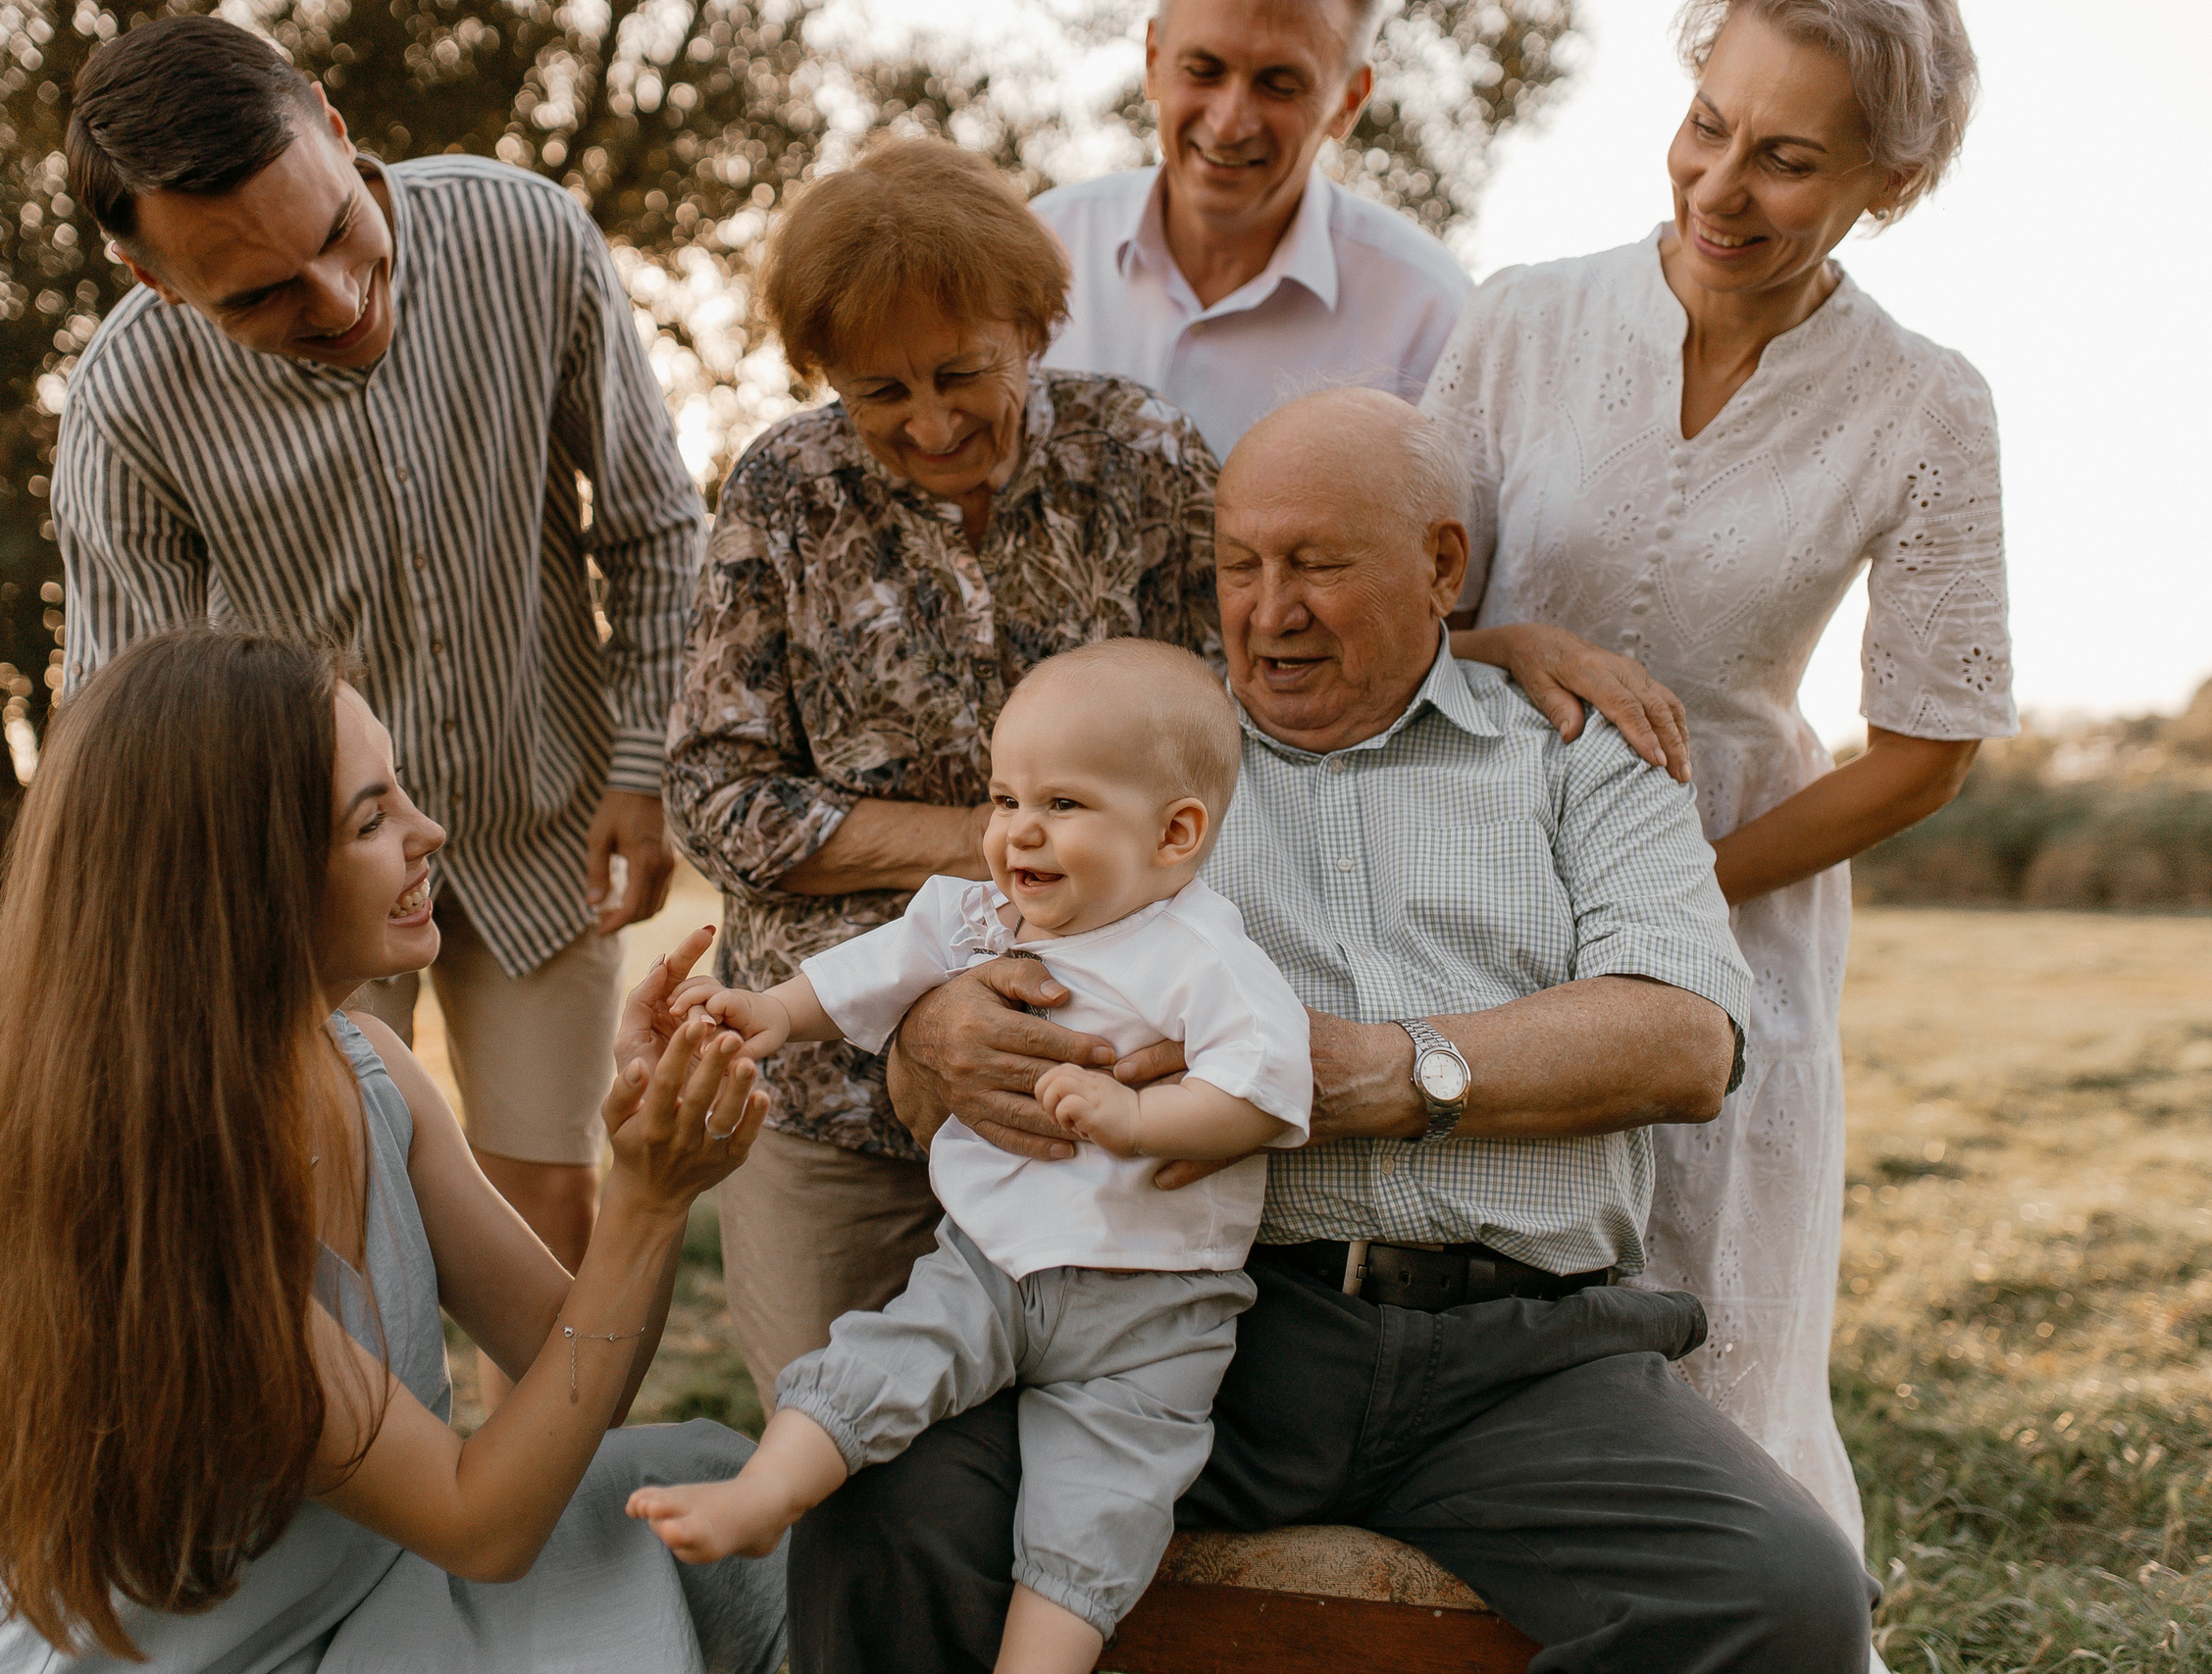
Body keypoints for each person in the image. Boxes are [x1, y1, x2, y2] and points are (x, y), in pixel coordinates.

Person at [788, 389, 1879, 1673]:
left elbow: (1684, 1038)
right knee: (882, 1502)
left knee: (1788, 1599)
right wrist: (933, 1026)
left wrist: (1380, 1070)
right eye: (1239, 564)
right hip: (1201, 1324)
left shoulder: (1581, 753)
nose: (1269, 606)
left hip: (1520, 1356)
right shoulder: (1154, 772)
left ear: (1442, 567)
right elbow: (976, 939)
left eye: (1316, 563)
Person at [1422, 0, 2013, 1550]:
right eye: (1709, 127)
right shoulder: (1521, 317)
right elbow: (1385, 613)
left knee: (1714, 1333)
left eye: (1790, 160)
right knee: (1472, 1325)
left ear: (1890, 181)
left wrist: (1680, 887)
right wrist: (1510, 645)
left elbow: (1927, 752)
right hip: (1473, 869)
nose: (1721, 186)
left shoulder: (1927, 399)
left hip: (1739, 897)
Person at [0, 628, 785, 1674]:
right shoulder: (165, 1197)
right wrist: (647, 1205)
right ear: (240, 876)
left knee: (716, 1479)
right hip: (198, 1658)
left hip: (369, 1586)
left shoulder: (366, 1068)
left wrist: (643, 1156)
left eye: (401, 790)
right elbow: (483, 1528)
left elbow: (573, 1359)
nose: (430, 830)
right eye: (371, 817)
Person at [52, 17, 695, 1306]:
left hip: (541, 818)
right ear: (151, 278)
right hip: (299, 876)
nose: (339, 302)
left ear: (337, 133)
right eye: (260, 294)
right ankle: (389, 1498)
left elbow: (650, 519)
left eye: (338, 231)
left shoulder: (529, 236)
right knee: (318, 1220)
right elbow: (129, 718)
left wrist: (642, 763)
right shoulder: (124, 405)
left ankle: (548, 1505)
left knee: (546, 1209)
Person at [661, 135, 1222, 1411]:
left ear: (1034, 324)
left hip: (1103, 1105)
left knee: (1097, 1469)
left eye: (961, 371)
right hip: (838, 1115)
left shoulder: (1146, 460)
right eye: (878, 391)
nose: (927, 421)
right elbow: (715, 795)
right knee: (846, 1461)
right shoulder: (786, 488)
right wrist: (996, 837)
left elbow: (1244, 731)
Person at [635, 640, 1310, 1672]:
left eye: (1063, 806)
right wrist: (771, 1008)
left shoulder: (1205, 954)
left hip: (1153, 1317)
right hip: (989, 1264)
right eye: (1003, 799)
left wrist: (1139, 1122)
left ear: (1175, 833)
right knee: (877, 1360)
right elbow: (875, 969)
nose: (1016, 833)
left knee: (1095, 1513)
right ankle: (763, 1499)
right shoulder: (984, 915)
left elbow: (1262, 1089)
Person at [1031, 0, 1471, 460]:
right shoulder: (1040, 248)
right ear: (1154, 60)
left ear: (1347, 102)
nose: (1229, 125)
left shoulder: (1433, 320)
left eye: (1280, 85)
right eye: (1203, 70)